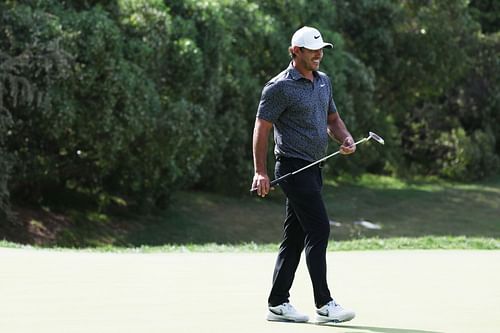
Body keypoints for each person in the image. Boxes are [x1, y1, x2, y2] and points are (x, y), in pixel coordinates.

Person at [251, 26, 356, 324]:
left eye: (321, 49)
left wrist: (345, 139)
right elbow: (262, 128)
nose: (319, 54)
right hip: (293, 168)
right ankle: (325, 304)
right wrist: (260, 172)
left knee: (294, 237)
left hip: (314, 168)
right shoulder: (279, 87)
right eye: (313, 50)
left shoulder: (324, 82)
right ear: (295, 51)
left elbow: (333, 119)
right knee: (319, 229)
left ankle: (277, 303)